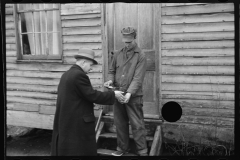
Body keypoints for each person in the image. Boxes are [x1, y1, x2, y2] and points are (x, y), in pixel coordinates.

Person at [51, 48, 125, 156]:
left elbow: (81, 96)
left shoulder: (66, 74)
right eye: (90, 65)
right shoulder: (79, 75)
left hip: (68, 121)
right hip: (77, 123)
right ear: (84, 62)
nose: (91, 69)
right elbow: (92, 95)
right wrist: (113, 94)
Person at [104, 27, 148, 156]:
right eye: (125, 41)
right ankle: (122, 149)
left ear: (134, 38)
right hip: (118, 94)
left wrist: (129, 93)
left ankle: (142, 151)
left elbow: (138, 78)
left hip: (134, 96)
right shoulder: (117, 54)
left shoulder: (141, 55)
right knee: (120, 123)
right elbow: (111, 71)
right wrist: (110, 81)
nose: (127, 44)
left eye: (129, 41)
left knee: (137, 124)